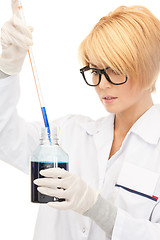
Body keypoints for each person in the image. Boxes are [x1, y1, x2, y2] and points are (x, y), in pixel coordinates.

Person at [0, 0, 160, 239]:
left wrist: (98, 208)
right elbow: (5, 136)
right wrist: (6, 70)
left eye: (114, 69)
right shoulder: (68, 133)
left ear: (148, 67)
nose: (102, 84)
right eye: (95, 71)